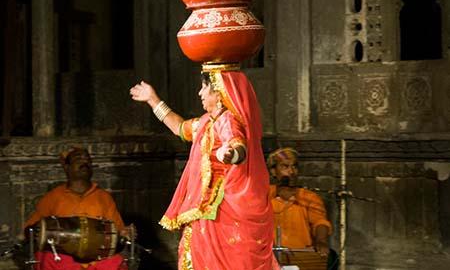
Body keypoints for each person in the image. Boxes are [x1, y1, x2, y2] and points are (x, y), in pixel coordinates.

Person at [130, 63, 278, 270]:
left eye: (204, 87)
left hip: (219, 210)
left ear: (219, 92)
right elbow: (180, 128)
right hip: (205, 209)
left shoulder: (227, 120)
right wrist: (152, 100)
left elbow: (238, 145)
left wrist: (231, 155)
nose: (199, 92)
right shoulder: (207, 121)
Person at [24, 147, 129, 270]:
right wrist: (38, 230)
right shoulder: (53, 197)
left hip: (97, 258)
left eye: (88, 160)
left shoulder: (104, 197)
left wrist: (126, 233)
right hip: (63, 257)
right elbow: (30, 230)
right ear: (66, 167)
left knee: (116, 262)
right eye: (78, 158)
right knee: (45, 258)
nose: (85, 162)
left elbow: (118, 230)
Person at [268, 147, 338, 269]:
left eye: (294, 167)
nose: (291, 172)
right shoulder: (264, 194)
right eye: (285, 167)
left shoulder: (309, 197)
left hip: (301, 256)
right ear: (273, 171)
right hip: (268, 256)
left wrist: (321, 241)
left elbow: (320, 222)